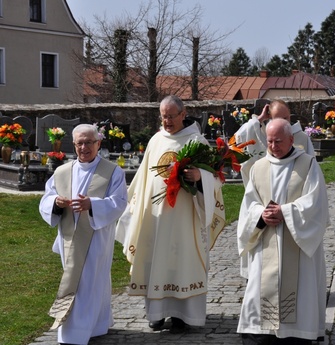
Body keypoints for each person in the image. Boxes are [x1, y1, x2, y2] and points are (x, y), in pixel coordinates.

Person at [115, 95, 224, 334]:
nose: (167, 121)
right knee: (155, 261)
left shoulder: (197, 142)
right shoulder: (155, 140)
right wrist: (134, 207)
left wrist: (199, 178)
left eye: (171, 116)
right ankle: (156, 314)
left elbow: (215, 179)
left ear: (183, 114)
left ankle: (183, 315)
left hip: (184, 219)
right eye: (163, 116)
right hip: (155, 218)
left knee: (181, 261)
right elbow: (143, 178)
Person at [237, 118, 330, 344]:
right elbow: (248, 206)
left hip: (296, 243)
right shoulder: (258, 168)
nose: (273, 146)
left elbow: (316, 204)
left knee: (300, 287)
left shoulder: (308, 165)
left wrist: (286, 212)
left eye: (278, 141)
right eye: (269, 141)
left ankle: (298, 334)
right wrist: (261, 215)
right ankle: (260, 332)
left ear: (291, 139)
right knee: (259, 284)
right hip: (266, 239)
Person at [39, 124, 128, 345]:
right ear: (74, 144)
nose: (84, 147)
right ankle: (86, 328)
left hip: (97, 237)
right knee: (79, 281)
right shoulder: (62, 172)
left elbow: (119, 203)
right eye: (79, 142)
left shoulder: (112, 171)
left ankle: (78, 332)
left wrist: (92, 205)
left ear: (98, 143)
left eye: (89, 142)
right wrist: (56, 203)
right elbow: (46, 200)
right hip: (69, 237)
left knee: (92, 281)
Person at [235, 99, 314, 188]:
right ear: (269, 118)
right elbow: (240, 136)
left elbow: (312, 170)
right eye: (277, 119)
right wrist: (260, 118)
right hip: (267, 186)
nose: (283, 123)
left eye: (285, 118)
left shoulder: (301, 137)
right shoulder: (262, 135)